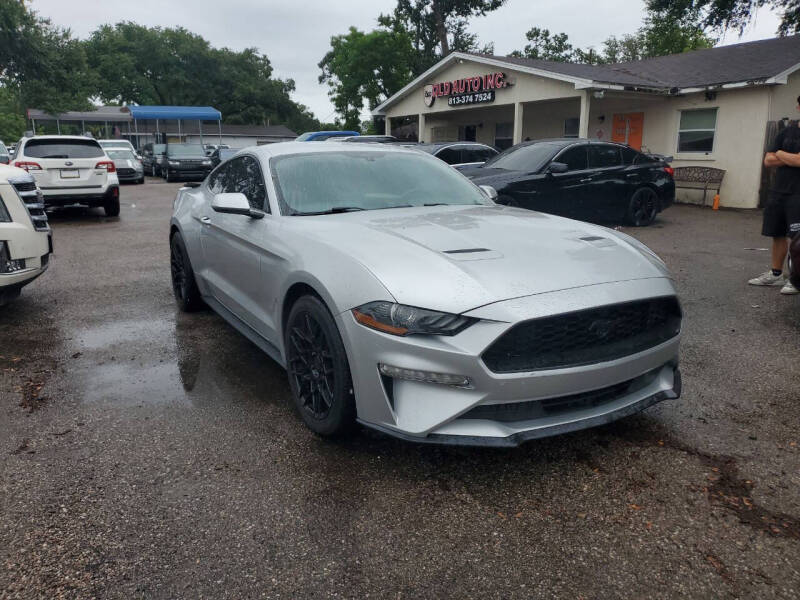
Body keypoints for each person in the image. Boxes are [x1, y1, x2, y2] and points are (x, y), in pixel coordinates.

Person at [748, 97, 800, 295]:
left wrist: (780, 153)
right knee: (777, 234)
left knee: (798, 239)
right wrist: (787, 157)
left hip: (799, 193)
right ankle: (776, 274)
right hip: (779, 191)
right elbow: (768, 160)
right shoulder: (786, 131)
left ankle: (796, 279)